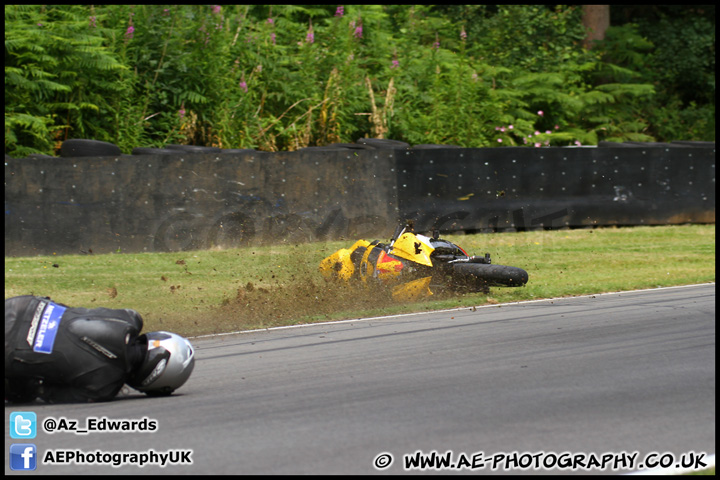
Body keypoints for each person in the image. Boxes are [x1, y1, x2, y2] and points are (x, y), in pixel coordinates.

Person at [5, 295, 195, 403]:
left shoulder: (129, 318)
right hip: (11, 351)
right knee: (24, 393)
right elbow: (45, 392)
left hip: (21, 305)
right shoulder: (102, 387)